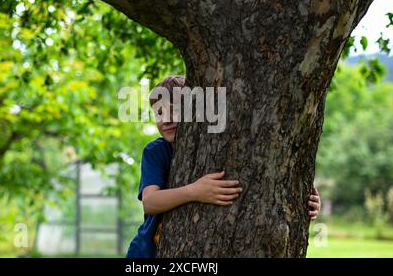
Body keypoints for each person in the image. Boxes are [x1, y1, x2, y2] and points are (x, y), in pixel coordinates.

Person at [126, 75, 321, 258]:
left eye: (174, 110)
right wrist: (194, 191)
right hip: (146, 253)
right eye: (159, 112)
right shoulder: (156, 151)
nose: (165, 119)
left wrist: (304, 202)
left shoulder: (216, 145)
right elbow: (150, 202)